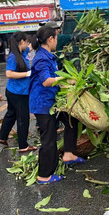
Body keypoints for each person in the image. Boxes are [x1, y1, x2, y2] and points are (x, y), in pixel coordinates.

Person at [29, 26, 85, 184]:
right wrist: (65, 79)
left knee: (71, 119)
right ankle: (44, 175)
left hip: (51, 101)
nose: (58, 41)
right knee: (48, 139)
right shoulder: (41, 58)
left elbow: (53, 78)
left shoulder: (48, 55)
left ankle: (68, 153)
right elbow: (46, 81)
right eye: (56, 38)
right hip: (43, 104)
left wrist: (67, 85)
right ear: (50, 39)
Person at [0, 31, 37, 151]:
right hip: (19, 93)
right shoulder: (14, 56)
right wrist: (27, 74)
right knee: (23, 118)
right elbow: (9, 73)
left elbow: (29, 48)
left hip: (15, 91)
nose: (27, 44)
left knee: (11, 114)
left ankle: (2, 136)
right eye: (27, 42)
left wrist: (37, 39)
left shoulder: (22, 53)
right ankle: (23, 145)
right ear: (22, 41)